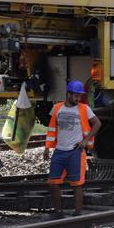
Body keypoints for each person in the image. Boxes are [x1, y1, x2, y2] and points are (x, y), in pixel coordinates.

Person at [43, 80, 101, 217]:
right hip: (59, 151)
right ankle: (58, 212)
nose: (78, 98)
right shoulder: (57, 108)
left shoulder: (84, 109)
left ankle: (77, 213)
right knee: (53, 183)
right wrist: (47, 148)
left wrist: (85, 141)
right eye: (76, 95)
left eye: (80, 96)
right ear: (68, 94)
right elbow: (52, 129)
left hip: (76, 151)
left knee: (77, 184)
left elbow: (97, 123)